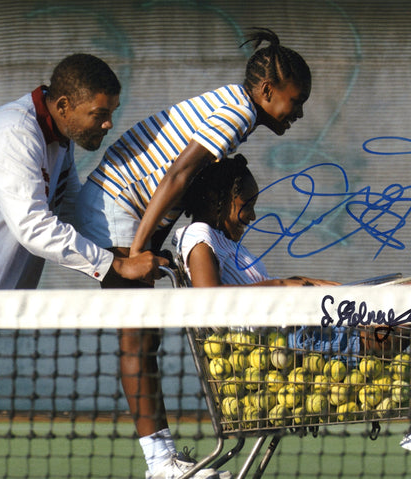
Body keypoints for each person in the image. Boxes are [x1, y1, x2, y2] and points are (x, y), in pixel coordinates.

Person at [0, 53, 167, 479]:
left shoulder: (57, 144)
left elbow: (69, 212)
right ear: (62, 106)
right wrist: (115, 268)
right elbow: (33, 227)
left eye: (111, 114)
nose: (107, 125)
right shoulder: (13, 132)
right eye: (99, 114)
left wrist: (122, 256)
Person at [74, 27, 310, 479]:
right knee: (139, 339)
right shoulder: (236, 114)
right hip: (119, 207)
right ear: (266, 91)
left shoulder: (234, 107)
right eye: (295, 101)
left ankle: (162, 460)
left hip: (134, 211)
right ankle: (160, 464)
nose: (298, 113)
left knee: (144, 338)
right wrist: (138, 250)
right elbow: (178, 176)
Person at [173, 155, 411, 479]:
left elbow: (264, 291)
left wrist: (306, 283)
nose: (252, 215)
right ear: (217, 200)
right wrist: (288, 285)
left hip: (317, 328)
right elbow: (210, 302)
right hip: (308, 344)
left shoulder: (226, 243)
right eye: (246, 204)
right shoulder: (198, 235)